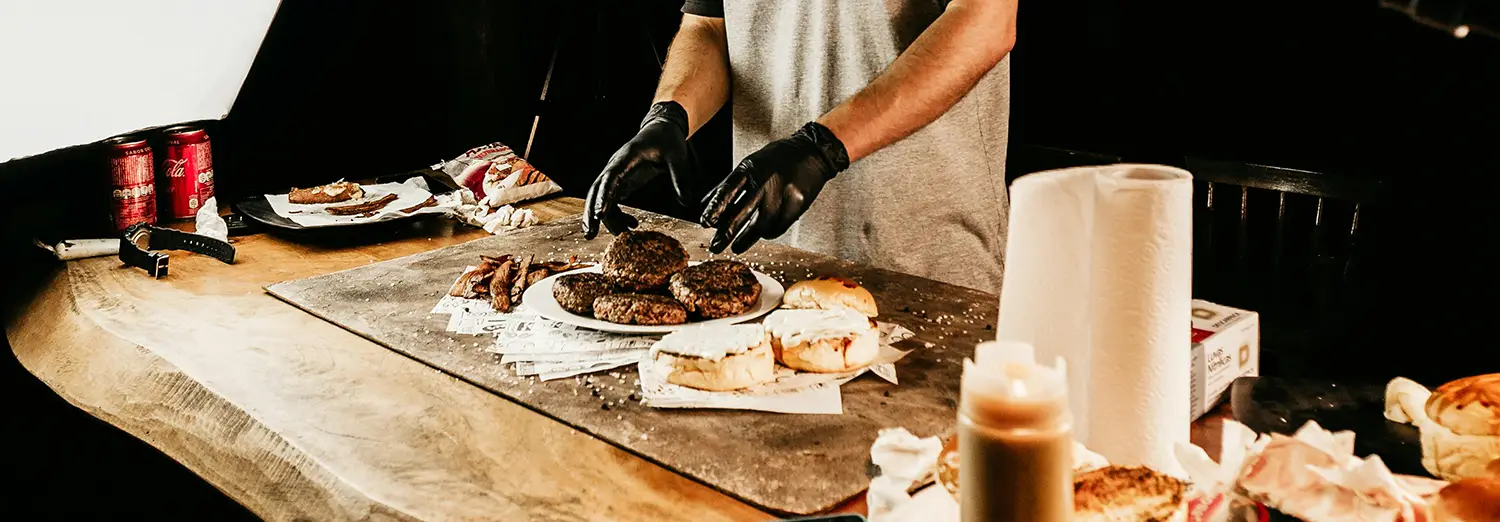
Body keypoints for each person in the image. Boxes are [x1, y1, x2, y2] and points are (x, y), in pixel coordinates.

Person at [584, 0, 1017, 292]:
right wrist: (671, 114)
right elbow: (711, 27)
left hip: (922, 266)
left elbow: (985, 21)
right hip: (769, 262)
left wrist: (823, 146)